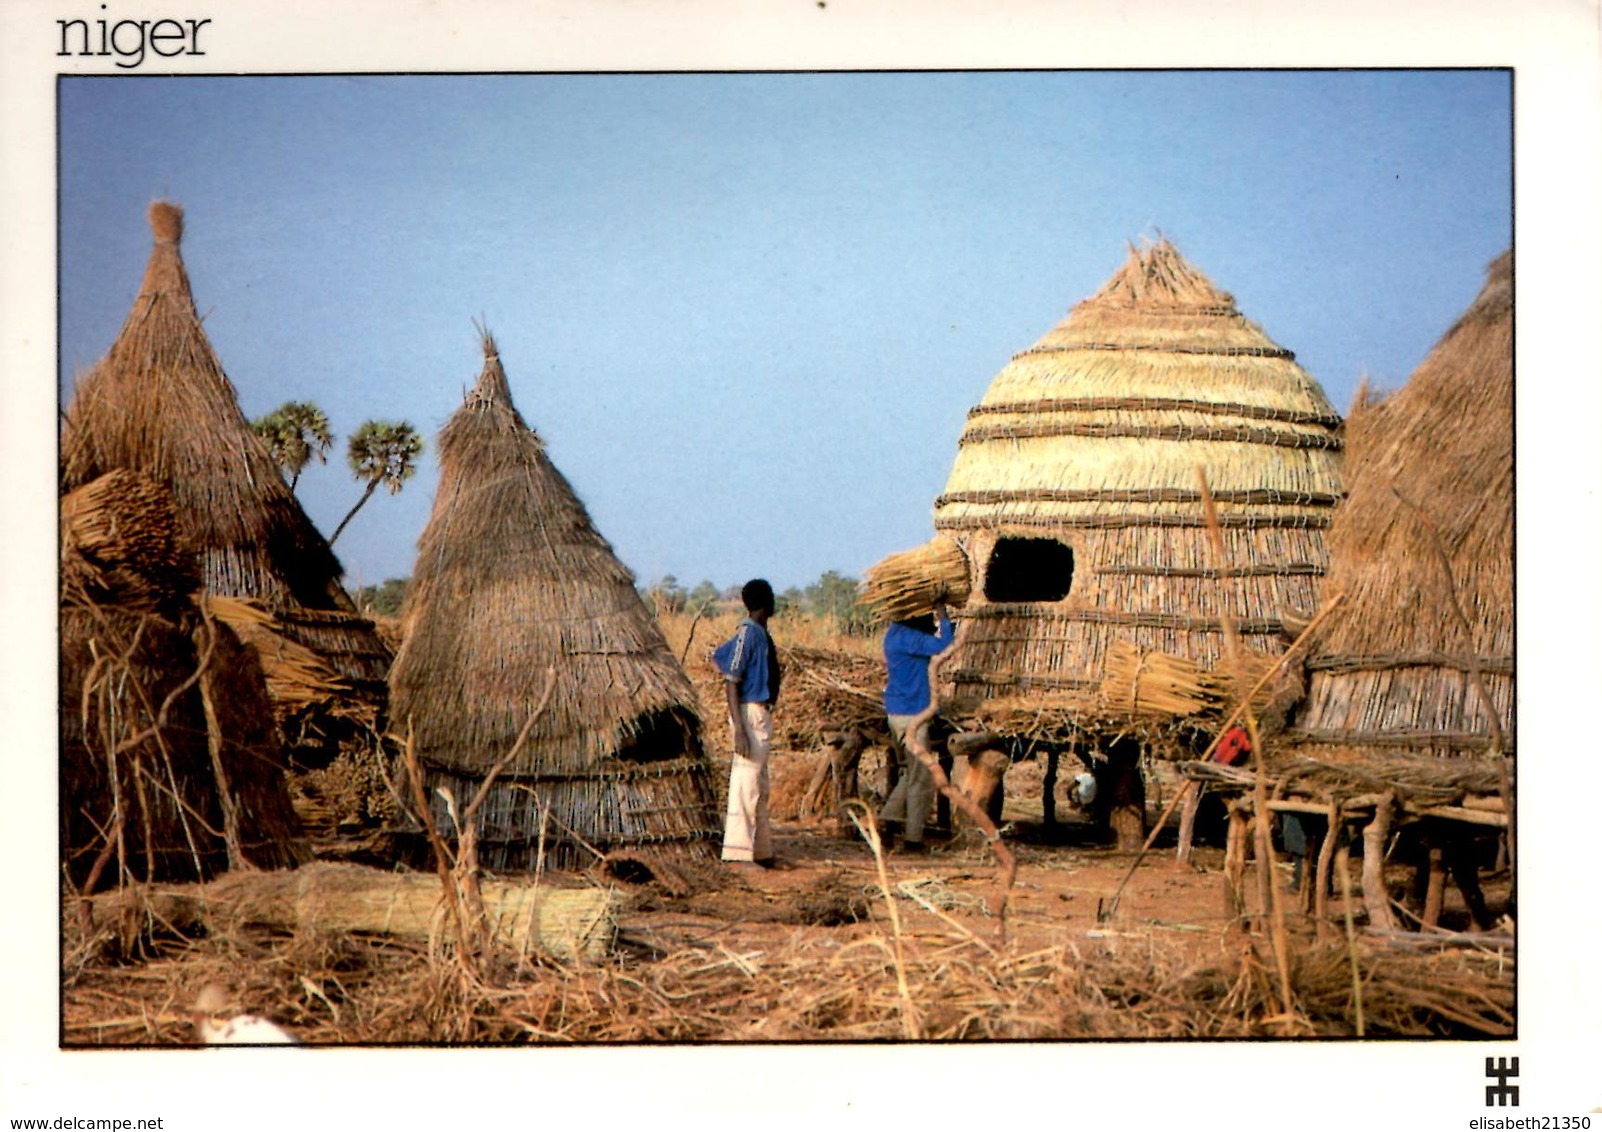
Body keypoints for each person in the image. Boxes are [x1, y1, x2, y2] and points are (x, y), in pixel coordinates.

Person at [713, 579, 782, 867]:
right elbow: (731, 678)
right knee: (746, 783)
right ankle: (738, 854)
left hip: (759, 713)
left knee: (759, 784)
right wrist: (739, 728)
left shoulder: (760, 634)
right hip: (750, 713)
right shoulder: (748, 633)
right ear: (766, 602)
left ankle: (761, 851)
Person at [878, 603, 954, 854]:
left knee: (911, 773)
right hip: (914, 716)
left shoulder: (893, 634)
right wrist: (944, 617)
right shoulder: (911, 638)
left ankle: (887, 820)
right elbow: (946, 645)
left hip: (895, 713)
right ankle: (913, 840)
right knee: (922, 778)